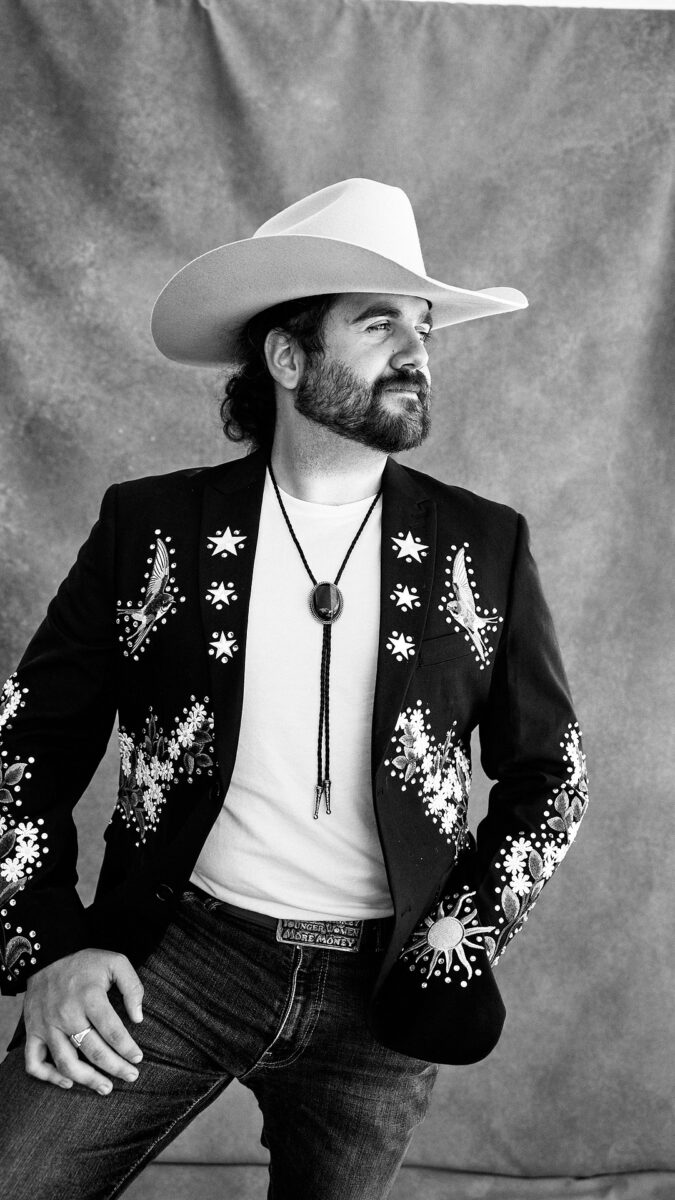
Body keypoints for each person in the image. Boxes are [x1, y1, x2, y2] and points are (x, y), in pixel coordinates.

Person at [0, 179, 588, 1199]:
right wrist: (52, 945)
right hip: (177, 954)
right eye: (379, 325)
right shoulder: (153, 528)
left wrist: (459, 937)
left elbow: (554, 776)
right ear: (286, 356)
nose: (417, 352)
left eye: (425, 328)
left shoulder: (483, 544)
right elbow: (23, 750)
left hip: (385, 991)